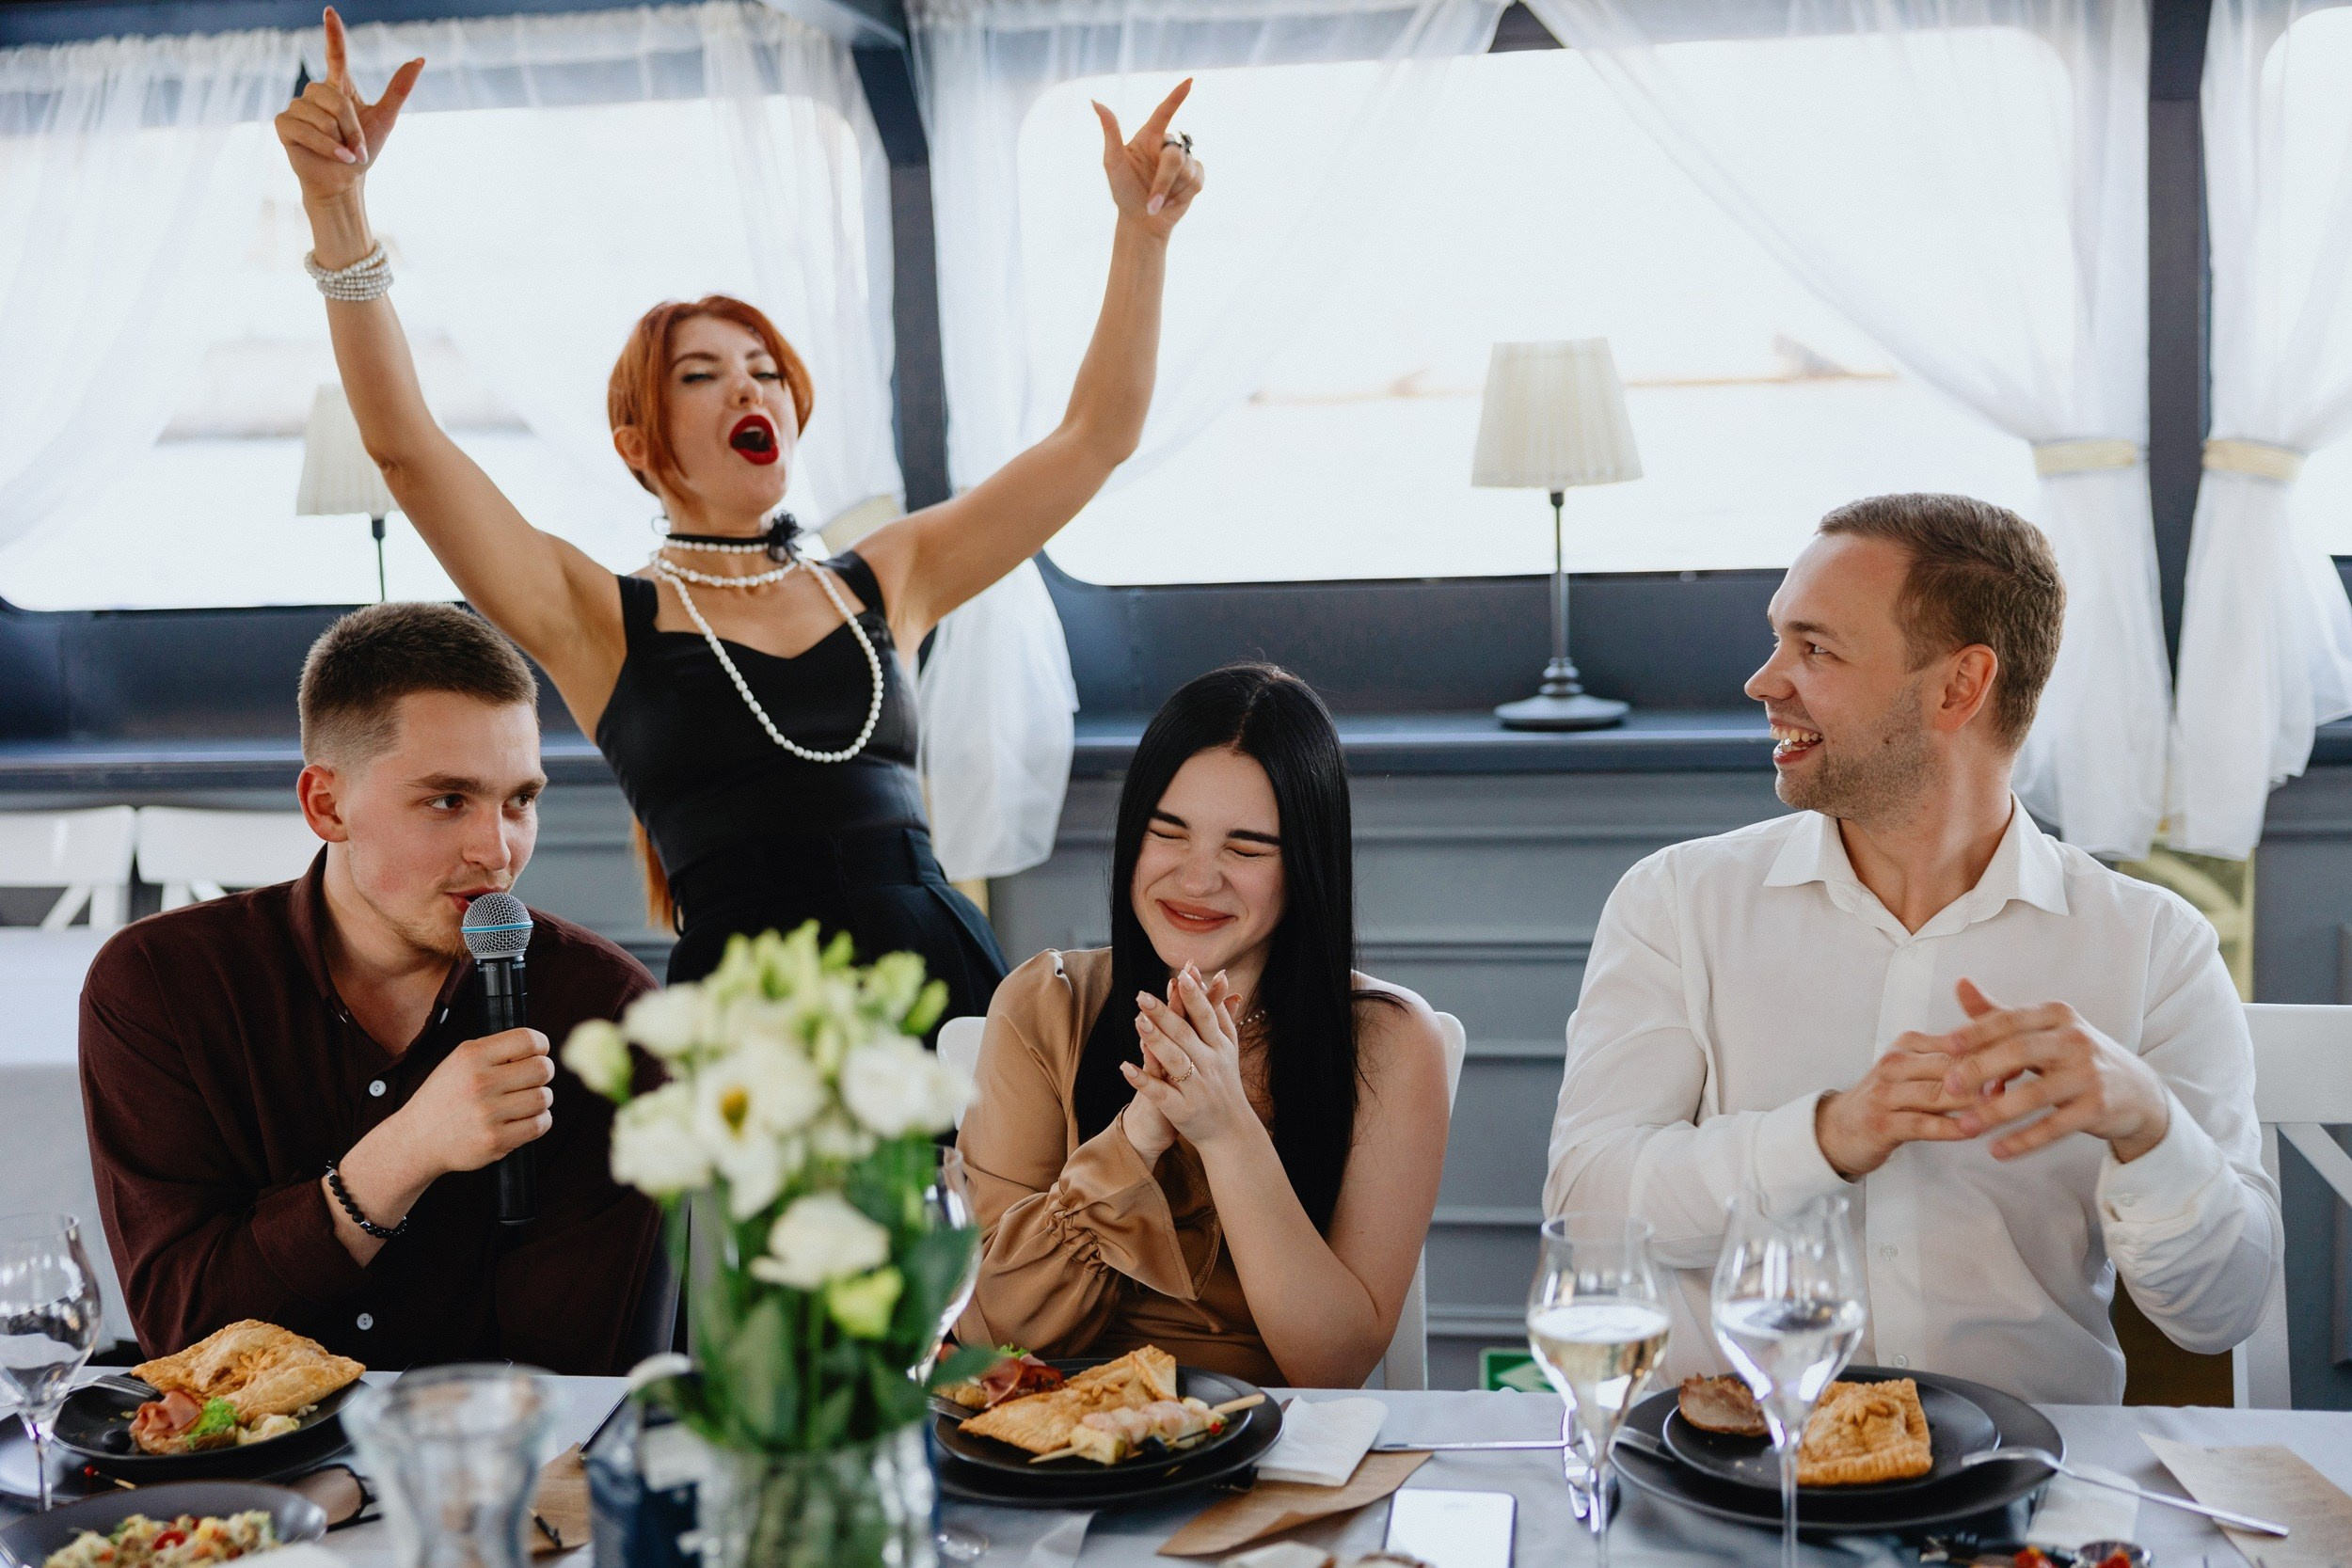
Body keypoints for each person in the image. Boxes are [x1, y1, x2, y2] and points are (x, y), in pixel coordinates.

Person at [273, 9, 1205, 1017]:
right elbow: (407, 451)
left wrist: (1141, 232)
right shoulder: (596, 615)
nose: (748, 391)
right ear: (638, 440)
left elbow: (1095, 437)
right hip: (752, 1028)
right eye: (704, 373)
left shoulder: (886, 576)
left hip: (944, 987)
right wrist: (339, 208)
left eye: (767, 372)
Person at [1545, 494, 2279, 1404]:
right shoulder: (1676, 903)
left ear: (1957, 687)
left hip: (2025, 1496)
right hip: (1733, 1483)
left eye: (1814, 648)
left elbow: (2222, 1310)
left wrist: (2147, 1123)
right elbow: (1589, 1209)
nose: (1764, 680)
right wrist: (1826, 1135)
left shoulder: (2152, 946)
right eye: (1779, 640)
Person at [80, 603, 663, 1371]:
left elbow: (568, 1369)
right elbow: (187, 1339)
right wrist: (403, 1154)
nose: (498, 851)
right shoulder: (161, 986)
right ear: (327, 804)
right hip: (252, 1480)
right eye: (448, 799)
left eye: (520, 799)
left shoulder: (602, 1010)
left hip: (496, 1476)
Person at [954, 664, 1450, 1388]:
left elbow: (1332, 1364)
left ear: (1305, 864)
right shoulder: (1044, 1004)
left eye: (1245, 849)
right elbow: (989, 1334)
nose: (1196, 878)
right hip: (1056, 1456)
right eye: (1168, 833)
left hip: (1272, 1454)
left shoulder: (1391, 1043)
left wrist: (1224, 1127)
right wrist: (1136, 1138)